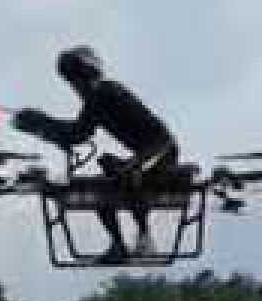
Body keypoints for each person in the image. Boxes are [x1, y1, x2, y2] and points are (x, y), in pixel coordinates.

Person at [13, 46, 180, 263]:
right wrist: (41, 125)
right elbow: (77, 133)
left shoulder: (104, 92)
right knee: (102, 186)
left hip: (161, 151)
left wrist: (41, 123)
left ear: (87, 75)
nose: (75, 86)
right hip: (145, 155)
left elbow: (77, 133)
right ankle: (119, 245)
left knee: (127, 173)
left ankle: (144, 238)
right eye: (71, 81)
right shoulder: (97, 97)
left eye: (76, 79)